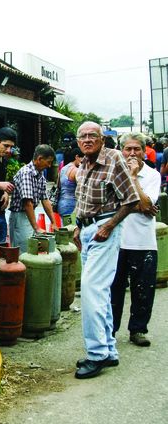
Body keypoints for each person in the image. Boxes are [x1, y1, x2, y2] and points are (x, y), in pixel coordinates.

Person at [72, 122, 140, 379]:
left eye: (92, 136)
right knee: (99, 292)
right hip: (88, 230)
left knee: (90, 290)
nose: (87, 139)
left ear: (102, 139)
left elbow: (131, 200)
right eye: (83, 136)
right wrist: (78, 226)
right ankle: (109, 350)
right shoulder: (85, 163)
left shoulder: (114, 159)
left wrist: (110, 226)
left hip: (105, 229)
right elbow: (83, 199)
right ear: (78, 142)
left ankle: (97, 354)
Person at [110, 132, 160, 347]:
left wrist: (132, 177)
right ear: (122, 151)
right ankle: (110, 330)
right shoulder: (112, 173)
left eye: (136, 149)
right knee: (113, 290)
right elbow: (141, 206)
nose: (132, 153)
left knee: (143, 289)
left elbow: (148, 204)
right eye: (128, 149)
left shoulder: (152, 175)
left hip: (143, 242)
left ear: (144, 150)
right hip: (117, 241)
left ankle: (138, 330)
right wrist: (141, 205)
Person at [8, 144, 58, 251]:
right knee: (23, 251)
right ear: (39, 159)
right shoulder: (26, 173)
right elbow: (27, 203)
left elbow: (45, 200)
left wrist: (53, 222)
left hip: (29, 214)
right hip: (20, 216)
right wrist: (36, 227)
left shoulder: (40, 175)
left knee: (31, 249)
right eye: (48, 162)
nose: (49, 166)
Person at [57, 147, 84, 218]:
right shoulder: (76, 170)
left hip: (61, 204)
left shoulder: (63, 169)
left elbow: (58, 186)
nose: (83, 160)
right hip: (72, 205)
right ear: (77, 157)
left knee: (65, 227)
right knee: (71, 227)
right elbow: (82, 187)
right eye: (82, 158)